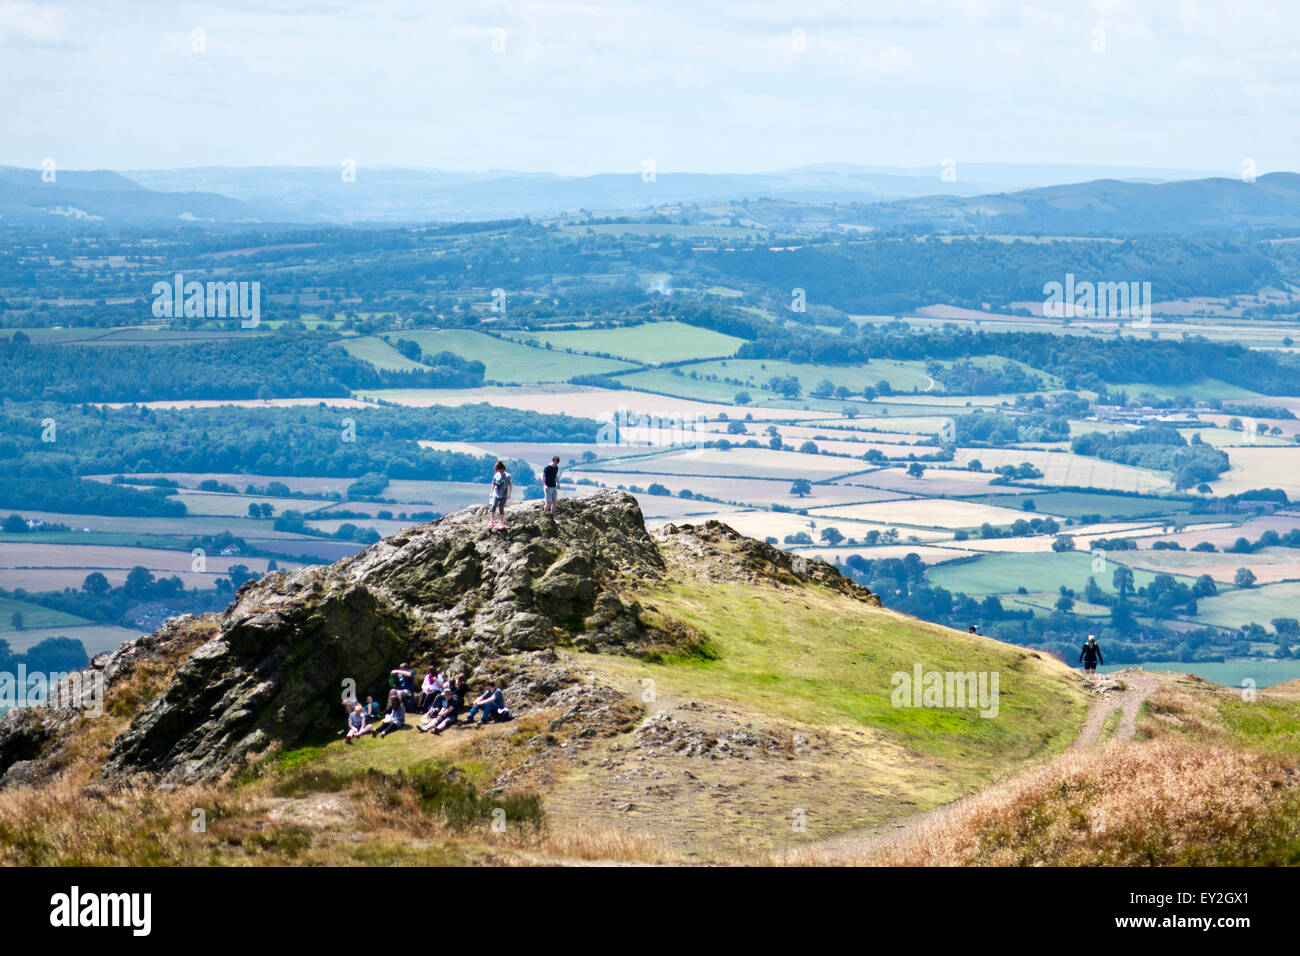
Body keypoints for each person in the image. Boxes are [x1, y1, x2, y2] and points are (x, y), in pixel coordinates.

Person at [488, 460, 512, 530]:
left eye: (502, 471)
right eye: (499, 471)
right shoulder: (496, 475)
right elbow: (493, 484)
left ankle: (501, 522)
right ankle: (491, 520)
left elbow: (510, 485)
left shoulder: (508, 476)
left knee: (501, 507)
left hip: (504, 494)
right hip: (496, 493)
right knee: (494, 506)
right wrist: (491, 492)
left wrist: (509, 494)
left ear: (504, 469)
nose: (500, 473)